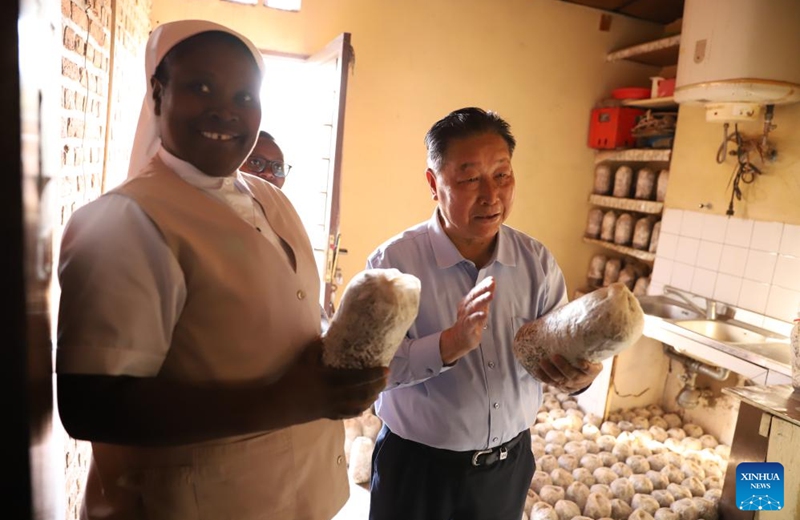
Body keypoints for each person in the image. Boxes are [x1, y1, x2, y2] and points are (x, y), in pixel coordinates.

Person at [55, 19, 387, 520]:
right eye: (200, 87)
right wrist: (287, 401)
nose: (225, 109)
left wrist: (338, 365)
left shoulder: (271, 201)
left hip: (296, 494)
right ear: (158, 93)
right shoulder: (126, 221)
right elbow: (91, 405)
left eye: (245, 96)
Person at [366, 107, 603, 520]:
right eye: (469, 178)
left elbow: (561, 349)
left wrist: (579, 376)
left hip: (507, 468)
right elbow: (370, 370)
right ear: (433, 183)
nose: (491, 195)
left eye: (502, 175)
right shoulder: (394, 263)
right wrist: (447, 345)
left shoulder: (536, 262)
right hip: (419, 471)